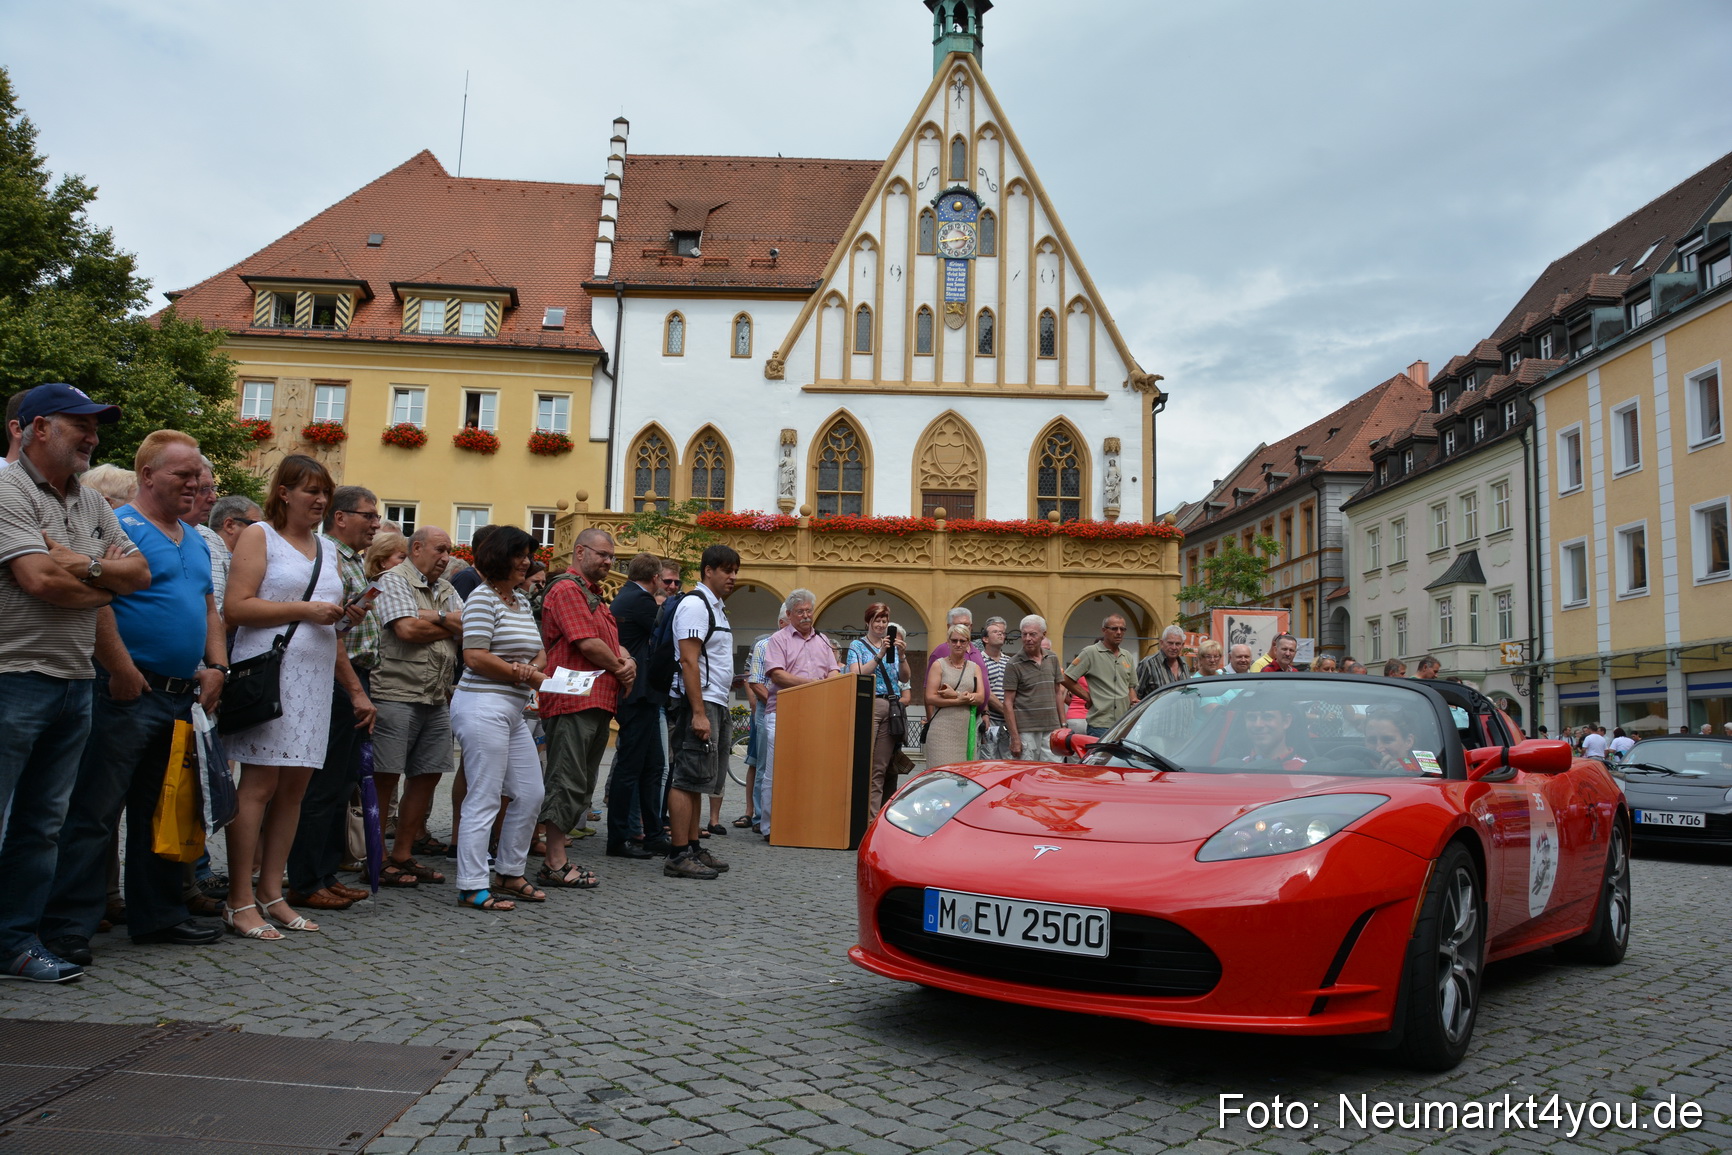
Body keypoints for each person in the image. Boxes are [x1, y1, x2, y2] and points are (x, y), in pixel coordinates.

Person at [39, 430, 228, 969]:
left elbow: (208, 607)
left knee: (161, 808)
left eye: (199, 476)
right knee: (95, 812)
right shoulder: (119, 527)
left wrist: (216, 667)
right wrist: (120, 669)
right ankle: (68, 926)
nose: (195, 485)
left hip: (178, 694)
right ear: (147, 476)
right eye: (183, 475)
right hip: (127, 689)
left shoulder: (190, 536)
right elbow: (98, 601)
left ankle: (159, 914)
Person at [0, 383, 149, 983]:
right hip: (11, 675)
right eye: (77, 425)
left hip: (71, 679)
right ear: (33, 428)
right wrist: (102, 583)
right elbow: (38, 581)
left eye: (95, 427)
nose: (91, 436)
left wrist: (82, 565)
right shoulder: (5, 488)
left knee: (42, 828)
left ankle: (13, 944)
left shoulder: (89, 503)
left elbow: (140, 573)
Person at [222, 455, 374, 940]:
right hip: (272, 672)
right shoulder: (259, 535)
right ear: (284, 492)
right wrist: (306, 609)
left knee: (295, 791)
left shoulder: (328, 549)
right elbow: (236, 605)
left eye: (325, 492)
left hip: (314, 678)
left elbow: (326, 629)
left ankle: (272, 892)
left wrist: (350, 679)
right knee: (259, 787)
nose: (321, 500)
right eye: (311, 491)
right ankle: (238, 897)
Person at [285, 485, 380, 914]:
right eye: (368, 515)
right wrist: (356, 690)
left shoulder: (350, 560)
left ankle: (323, 875)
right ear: (340, 518)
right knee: (322, 786)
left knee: (339, 784)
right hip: (336, 675)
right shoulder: (328, 557)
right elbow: (328, 631)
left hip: (349, 674)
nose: (376, 524)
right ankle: (305, 879)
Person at [448, 526, 547, 911]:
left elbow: (539, 652)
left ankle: (508, 871)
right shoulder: (481, 599)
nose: (527, 562)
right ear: (499, 557)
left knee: (530, 792)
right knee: (485, 796)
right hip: (480, 706)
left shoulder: (520, 601)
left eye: (528, 555)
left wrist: (530, 669)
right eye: (520, 555)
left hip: (510, 709)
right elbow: (474, 656)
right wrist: (520, 673)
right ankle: (472, 884)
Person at [535, 528, 631, 889]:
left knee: (581, 781)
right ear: (579, 552)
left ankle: (556, 857)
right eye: (602, 554)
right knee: (566, 779)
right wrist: (622, 667)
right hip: (572, 700)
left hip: (595, 700)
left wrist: (627, 659)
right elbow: (588, 644)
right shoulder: (566, 589)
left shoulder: (595, 597)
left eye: (612, 557)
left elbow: (611, 645)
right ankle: (553, 862)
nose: (608, 561)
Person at [373, 526, 463, 888]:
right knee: (385, 778)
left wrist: (428, 617)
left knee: (427, 775)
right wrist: (444, 620)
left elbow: (469, 627)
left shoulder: (447, 587)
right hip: (395, 692)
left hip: (436, 695)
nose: (445, 557)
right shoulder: (392, 580)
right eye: (440, 550)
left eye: (449, 551)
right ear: (418, 548)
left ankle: (403, 854)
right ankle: (375, 858)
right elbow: (406, 631)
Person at [664, 543, 740, 879]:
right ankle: (678, 853)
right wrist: (698, 712)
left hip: (715, 700)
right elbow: (688, 660)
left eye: (735, 570)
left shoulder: (715, 607)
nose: (733, 577)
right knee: (686, 776)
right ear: (708, 570)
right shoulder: (695, 605)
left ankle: (693, 846)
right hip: (701, 701)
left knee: (698, 779)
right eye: (727, 570)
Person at [759, 588, 840, 839]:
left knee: (810, 771)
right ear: (790, 614)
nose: (806, 616)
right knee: (776, 773)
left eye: (809, 611)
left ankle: (805, 822)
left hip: (816, 715)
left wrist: (830, 682)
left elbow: (834, 671)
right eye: (800, 612)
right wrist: (814, 685)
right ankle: (770, 827)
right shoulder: (779, 639)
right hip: (782, 713)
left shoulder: (823, 640)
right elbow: (777, 674)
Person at [605, 552, 670, 859]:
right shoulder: (641, 601)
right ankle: (619, 838)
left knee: (653, 766)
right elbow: (665, 630)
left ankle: (654, 833)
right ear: (655, 578)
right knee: (631, 768)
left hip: (642, 694)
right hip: (637, 694)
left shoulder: (627, 596)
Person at [846, 602, 911, 817]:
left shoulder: (893, 645)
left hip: (890, 705)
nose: (881, 625)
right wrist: (880, 653)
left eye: (884, 621)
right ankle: (856, 814)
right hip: (868, 704)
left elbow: (905, 677)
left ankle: (873, 818)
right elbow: (858, 675)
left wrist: (901, 656)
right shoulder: (857, 646)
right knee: (862, 760)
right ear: (868, 622)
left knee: (880, 767)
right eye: (877, 621)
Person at [735, 609, 787, 833]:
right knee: (760, 762)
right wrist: (761, 704)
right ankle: (758, 815)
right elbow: (752, 679)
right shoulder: (763, 644)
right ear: (782, 621)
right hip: (767, 707)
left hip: (792, 709)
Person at [1062, 615, 1137, 736]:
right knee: (1101, 755)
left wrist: (1133, 700)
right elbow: (1066, 678)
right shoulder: (1090, 652)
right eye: (1114, 628)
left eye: (1122, 629)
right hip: (1100, 725)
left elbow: (1130, 686)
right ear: (1104, 630)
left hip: (1123, 724)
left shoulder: (1127, 656)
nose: (1119, 632)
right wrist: (1088, 697)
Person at [1003, 614, 1064, 759]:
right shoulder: (1013, 664)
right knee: (1028, 775)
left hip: (1052, 728)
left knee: (1052, 774)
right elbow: (1007, 702)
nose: (1027, 638)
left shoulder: (1052, 658)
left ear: (1043, 635)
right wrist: (1015, 738)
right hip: (1026, 730)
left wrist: (1063, 725)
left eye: (1032, 634)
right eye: (1024, 634)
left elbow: (1058, 693)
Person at [924, 623, 985, 767]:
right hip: (942, 730)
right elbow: (930, 698)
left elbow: (981, 697)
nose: (958, 644)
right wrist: (960, 699)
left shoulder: (974, 668)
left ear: (968, 644)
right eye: (954, 640)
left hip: (965, 732)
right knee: (940, 777)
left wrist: (954, 694)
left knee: (963, 780)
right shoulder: (939, 665)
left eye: (962, 641)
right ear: (948, 642)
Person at [925, 607, 991, 693]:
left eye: (966, 625)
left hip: (979, 705)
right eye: (958, 625)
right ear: (949, 627)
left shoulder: (977, 650)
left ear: (971, 627)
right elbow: (928, 689)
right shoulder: (941, 650)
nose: (963, 628)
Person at [1239, 694, 1307, 771]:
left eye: (1267, 717)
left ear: (1286, 721)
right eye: (1252, 717)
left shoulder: (1305, 770)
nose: (1258, 725)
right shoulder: (1235, 767)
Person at [976, 616, 1012, 760]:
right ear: (985, 639)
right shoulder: (979, 660)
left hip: (1007, 722)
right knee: (988, 759)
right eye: (996, 632)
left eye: (1003, 633)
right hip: (990, 720)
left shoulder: (1009, 661)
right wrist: (1006, 711)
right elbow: (985, 691)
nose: (1000, 634)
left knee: (1007, 759)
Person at [1363, 706, 1430, 774]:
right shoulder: (1355, 767)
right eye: (1372, 741)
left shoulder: (1426, 767)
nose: (1378, 749)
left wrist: (1406, 773)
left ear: (1408, 742)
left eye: (1387, 740)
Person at [1136, 625, 1190, 697]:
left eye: (1177, 644)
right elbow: (1135, 696)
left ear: (1182, 645)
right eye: (1170, 643)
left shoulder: (1184, 666)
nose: (1174, 647)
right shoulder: (1148, 664)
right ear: (1161, 643)